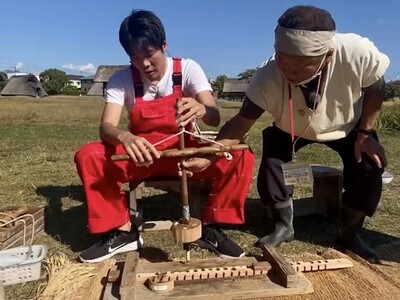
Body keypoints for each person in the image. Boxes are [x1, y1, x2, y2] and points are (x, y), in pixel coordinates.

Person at [183, 5, 389, 263]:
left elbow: (376, 88)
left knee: (369, 167)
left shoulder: (356, 53)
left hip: (346, 125)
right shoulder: (268, 75)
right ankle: (283, 226)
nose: (286, 70)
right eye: (281, 57)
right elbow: (239, 124)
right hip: (288, 127)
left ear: (328, 55)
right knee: (272, 165)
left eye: (300, 65)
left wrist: (366, 133)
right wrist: (210, 157)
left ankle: (349, 233)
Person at [74, 9, 255, 263]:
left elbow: (214, 116)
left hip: (186, 157)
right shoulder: (121, 79)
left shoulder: (188, 69)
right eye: (135, 57)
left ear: (164, 45)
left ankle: (211, 227)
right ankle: (123, 231)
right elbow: (106, 127)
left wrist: (202, 108)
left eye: (149, 55)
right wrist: (125, 137)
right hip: (142, 157)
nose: (144, 64)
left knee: (240, 154)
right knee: (89, 155)